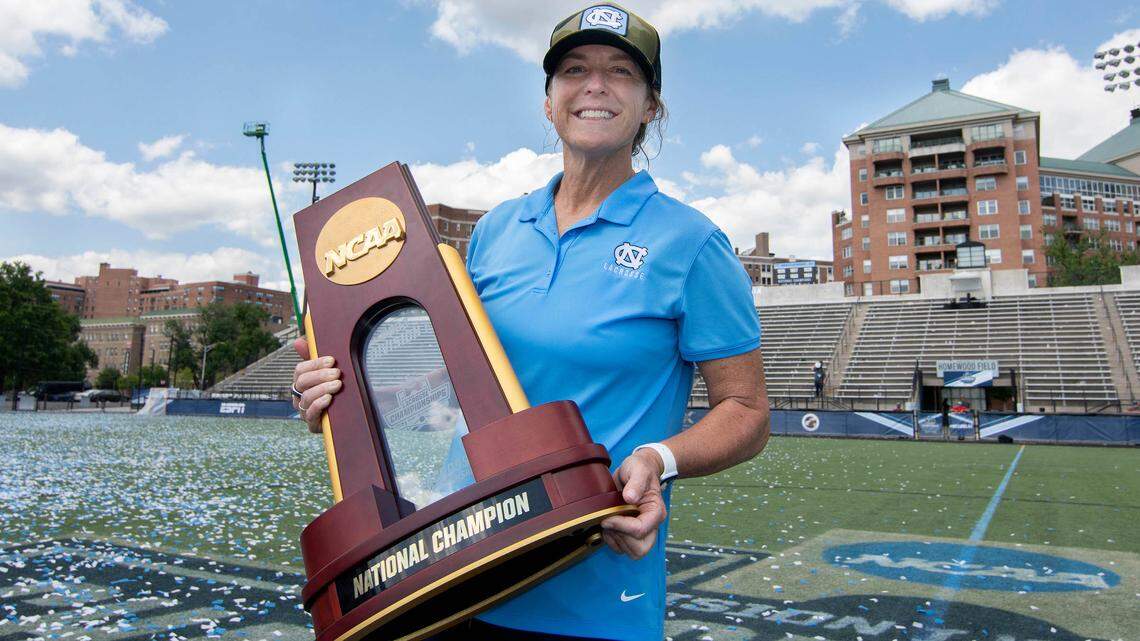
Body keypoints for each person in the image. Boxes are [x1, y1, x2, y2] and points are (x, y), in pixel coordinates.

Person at [290, 4, 770, 640]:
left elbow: (747, 409)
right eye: (574, 69)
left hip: (594, 587)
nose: (594, 85)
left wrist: (659, 457)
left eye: (620, 72)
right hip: (453, 569)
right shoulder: (496, 230)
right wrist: (344, 392)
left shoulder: (693, 243)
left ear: (651, 105)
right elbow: (451, 380)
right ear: (548, 101)